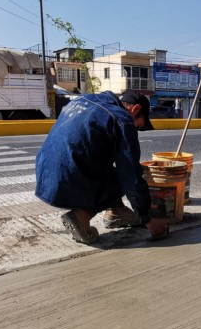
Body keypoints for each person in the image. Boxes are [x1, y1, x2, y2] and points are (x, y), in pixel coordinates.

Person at [35, 90, 170, 244]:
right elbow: (130, 175)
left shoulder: (82, 100)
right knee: (131, 172)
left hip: (45, 176)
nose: (136, 129)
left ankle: (116, 211)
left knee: (110, 166)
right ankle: (81, 215)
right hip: (69, 179)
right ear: (136, 109)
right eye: (139, 126)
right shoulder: (123, 119)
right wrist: (148, 219)